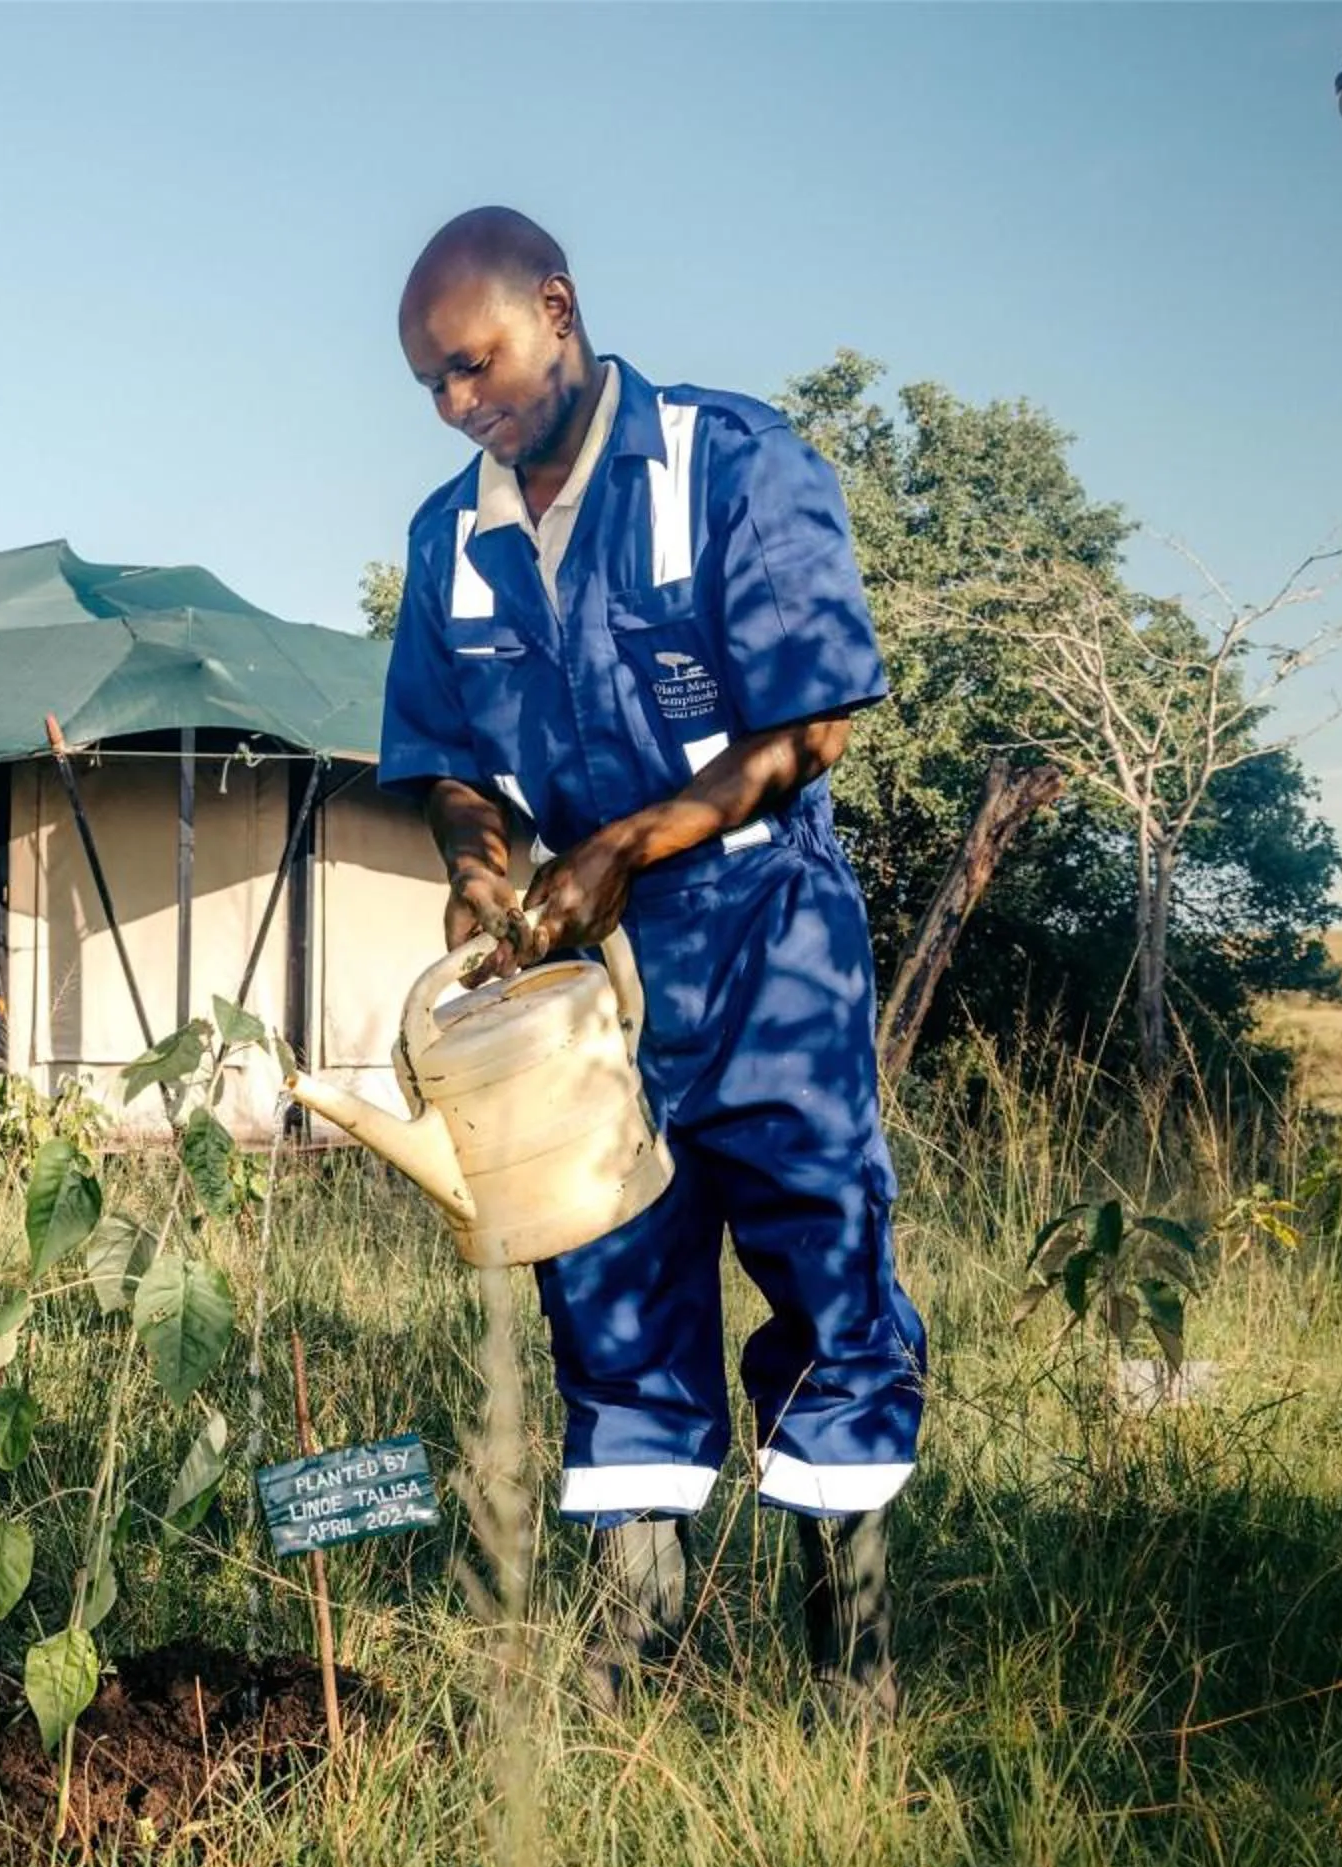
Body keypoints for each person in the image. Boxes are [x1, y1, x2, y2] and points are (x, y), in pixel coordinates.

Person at [379, 208, 925, 1726]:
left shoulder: (733, 465)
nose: (456, 405)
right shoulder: (451, 537)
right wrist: (483, 864)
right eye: (429, 384)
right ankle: (643, 1652)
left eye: (473, 365)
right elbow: (449, 763)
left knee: (826, 1268)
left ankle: (850, 1659)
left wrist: (618, 848)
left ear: (556, 310)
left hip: (765, 941)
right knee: (609, 1278)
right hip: (582, 984)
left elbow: (810, 729)